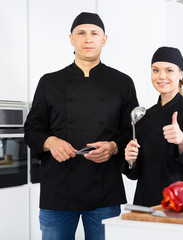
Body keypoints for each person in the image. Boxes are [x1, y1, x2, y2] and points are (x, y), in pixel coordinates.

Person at [24, 12, 138, 240]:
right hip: (58, 190)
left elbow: (132, 131)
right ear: (71, 39)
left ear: (104, 40)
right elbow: (32, 129)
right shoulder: (49, 82)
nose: (88, 39)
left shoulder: (122, 82)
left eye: (94, 33)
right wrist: (51, 142)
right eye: (81, 33)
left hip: (104, 189)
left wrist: (114, 147)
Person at [124, 46, 183, 207]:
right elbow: (135, 174)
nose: (161, 76)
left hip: (178, 203)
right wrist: (131, 160)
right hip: (145, 203)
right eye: (155, 70)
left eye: (169, 70)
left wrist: (182, 140)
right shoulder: (143, 117)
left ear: (180, 73)